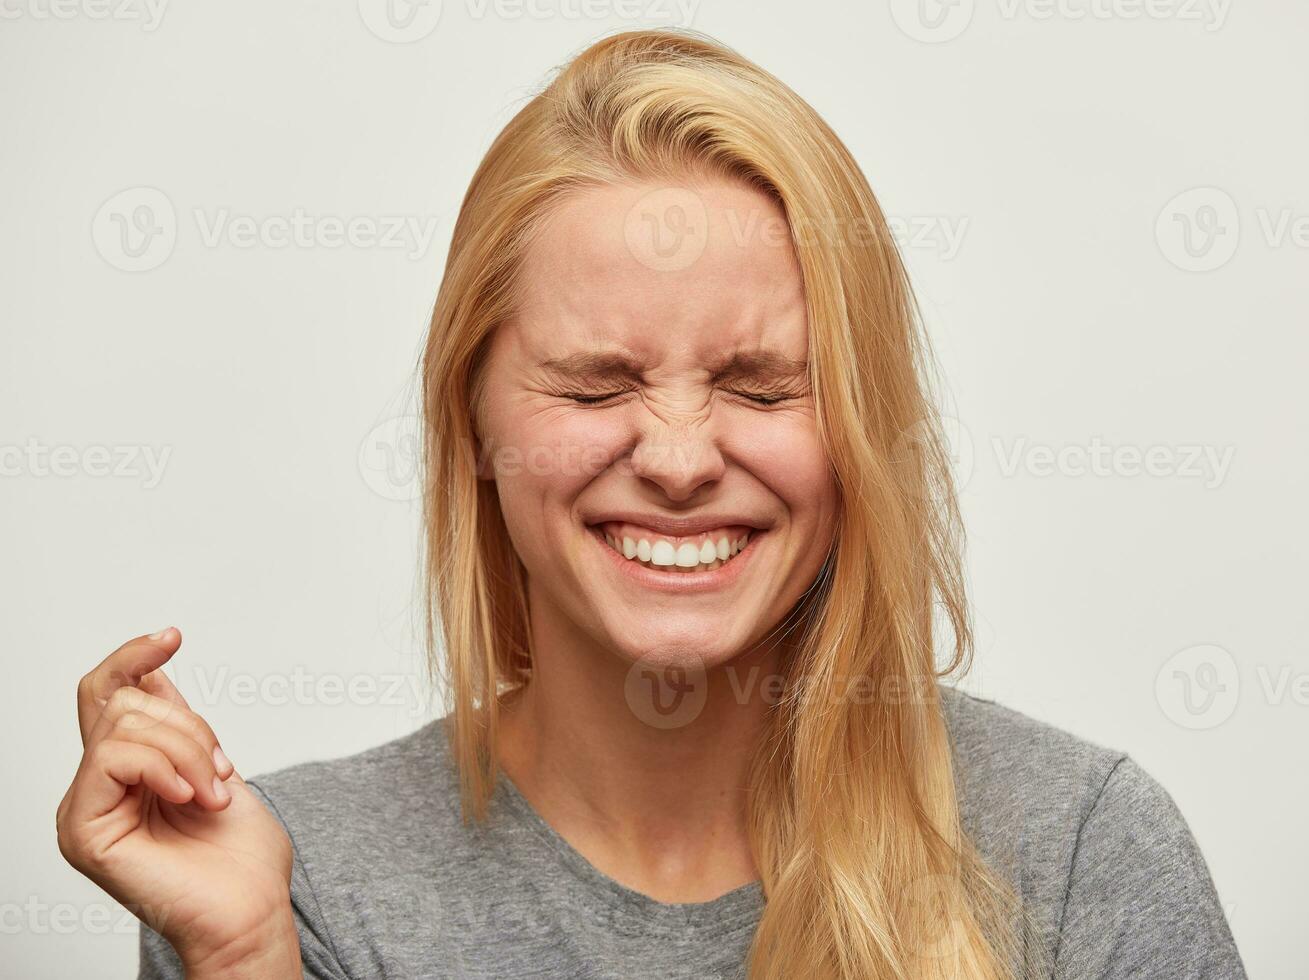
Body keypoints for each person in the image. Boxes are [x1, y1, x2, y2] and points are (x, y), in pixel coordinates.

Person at [56, 29, 1247, 980]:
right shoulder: (292, 881)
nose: (679, 458)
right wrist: (243, 960)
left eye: (763, 385)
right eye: (595, 381)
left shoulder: (1082, 852)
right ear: (472, 421)